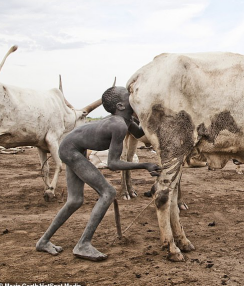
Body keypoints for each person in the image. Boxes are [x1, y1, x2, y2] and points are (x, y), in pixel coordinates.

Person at [36, 86, 161, 261]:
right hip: (71, 150)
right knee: (108, 192)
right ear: (121, 106)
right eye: (129, 96)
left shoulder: (127, 122)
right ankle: (83, 244)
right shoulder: (117, 124)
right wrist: (145, 165)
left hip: (74, 147)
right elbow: (113, 164)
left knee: (75, 200)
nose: (134, 97)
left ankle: (43, 241)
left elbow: (142, 133)